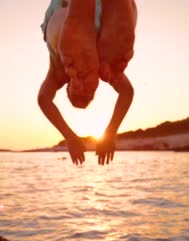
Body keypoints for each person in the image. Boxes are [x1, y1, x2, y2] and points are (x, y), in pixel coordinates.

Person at [38, 0, 137, 165]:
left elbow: (43, 99)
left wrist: (70, 137)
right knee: (59, 25)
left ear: (67, 86)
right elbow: (127, 92)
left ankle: (72, 21)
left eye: (77, 89)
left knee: (58, 25)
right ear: (95, 85)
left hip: (70, 18)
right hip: (100, 21)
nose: (83, 88)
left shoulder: (59, 73)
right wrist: (110, 134)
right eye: (88, 91)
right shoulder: (106, 69)